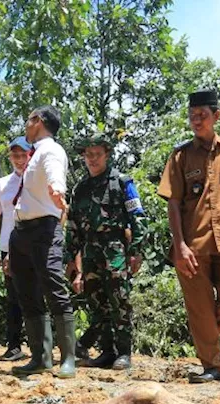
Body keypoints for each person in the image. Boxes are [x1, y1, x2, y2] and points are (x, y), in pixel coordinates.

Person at [158, 89, 220, 383]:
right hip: (193, 245)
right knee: (199, 306)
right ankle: (212, 365)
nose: (196, 121)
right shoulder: (180, 156)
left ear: (216, 116)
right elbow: (173, 203)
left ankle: (205, 336)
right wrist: (180, 247)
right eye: (192, 116)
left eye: (202, 115)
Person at [65, 133, 145, 371]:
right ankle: (107, 352)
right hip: (90, 253)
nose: (92, 159)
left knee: (119, 300)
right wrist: (71, 258)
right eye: (88, 155)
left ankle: (124, 353)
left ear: (107, 154)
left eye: (97, 154)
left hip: (116, 250)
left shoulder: (122, 182)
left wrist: (136, 251)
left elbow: (138, 217)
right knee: (97, 303)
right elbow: (73, 226)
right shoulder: (80, 189)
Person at [9, 105, 74, 378]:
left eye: (28, 120)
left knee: (54, 288)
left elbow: (55, 174)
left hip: (44, 230)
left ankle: (68, 359)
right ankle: (40, 357)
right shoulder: (34, 154)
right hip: (21, 231)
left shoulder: (50, 150)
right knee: (27, 294)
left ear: (38, 121)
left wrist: (58, 191)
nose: (26, 126)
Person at [0, 136, 32, 361]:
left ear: (31, 155)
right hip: (8, 247)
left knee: (35, 295)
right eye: (15, 155)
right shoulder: (1, 185)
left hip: (34, 246)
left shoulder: (37, 182)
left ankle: (41, 345)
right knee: (13, 297)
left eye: (23, 154)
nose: (20, 159)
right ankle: (14, 346)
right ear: (10, 157)